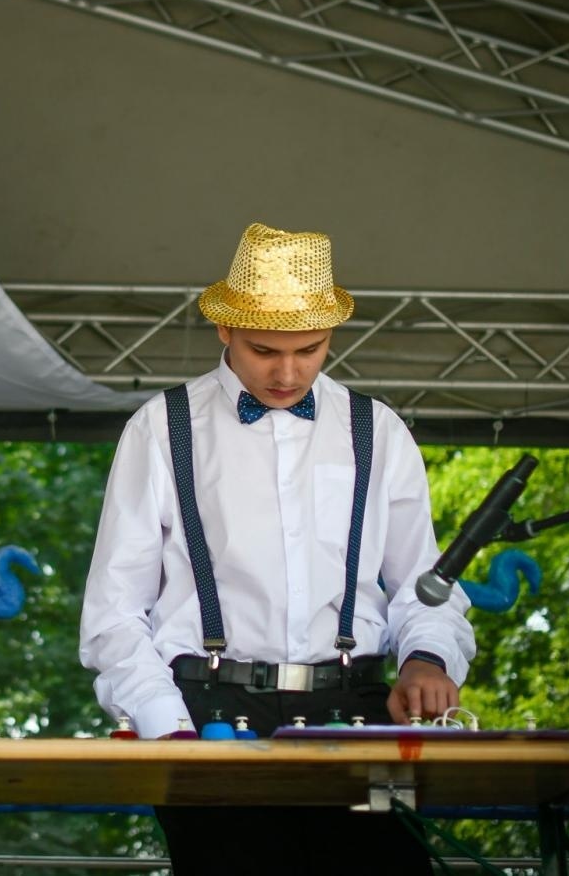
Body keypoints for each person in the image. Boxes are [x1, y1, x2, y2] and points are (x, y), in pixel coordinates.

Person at [79, 223, 475, 875]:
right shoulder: (162, 428)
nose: (288, 373)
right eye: (265, 350)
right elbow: (114, 614)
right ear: (224, 331)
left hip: (356, 710)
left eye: (310, 350)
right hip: (206, 711)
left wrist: (427, 660)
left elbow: (422, 586)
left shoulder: (377, 430)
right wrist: (166, 726)